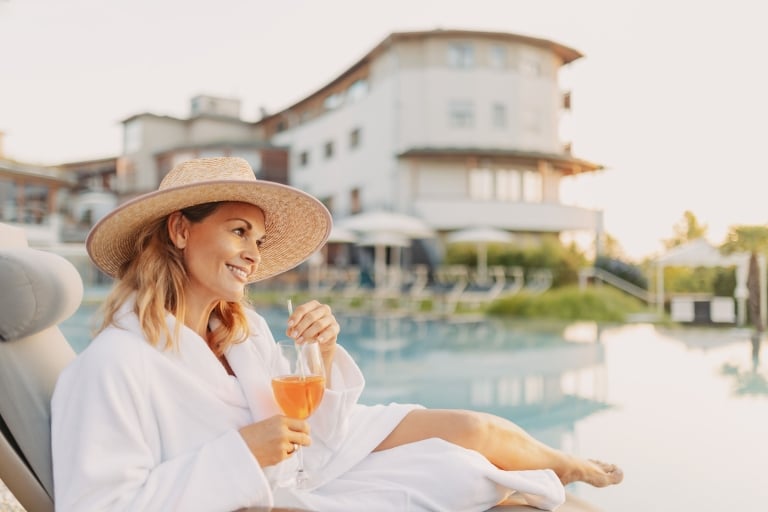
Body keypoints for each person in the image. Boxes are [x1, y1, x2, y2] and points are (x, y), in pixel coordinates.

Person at [51, 157, 622, 512]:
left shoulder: (239, 333)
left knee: (467, 443)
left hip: (302, 465)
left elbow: (311, 430)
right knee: (460, 474)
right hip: (258, 491)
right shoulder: (112, 366)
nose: (254, 251)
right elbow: (97, 505)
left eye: (259, 237)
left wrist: (320, 354)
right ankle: (554, 474)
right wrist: (241, 455)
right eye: (239, 230)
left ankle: (560, 463)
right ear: (180, 228)